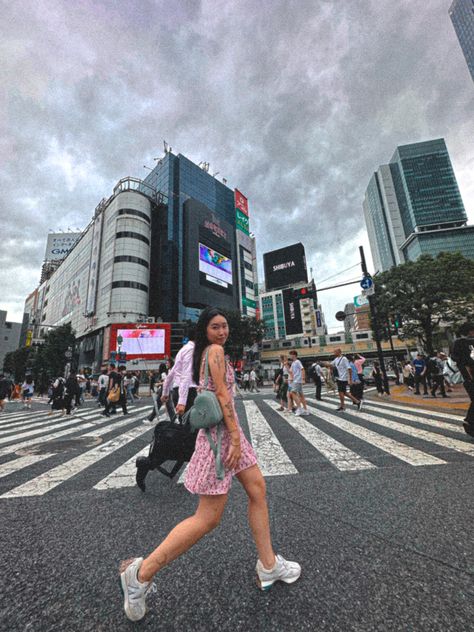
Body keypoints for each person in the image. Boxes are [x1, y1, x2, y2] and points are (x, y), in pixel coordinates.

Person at [119, 307, 301, 622]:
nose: (222, 332)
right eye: (215, 327)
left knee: (257, 488)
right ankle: (141, 574)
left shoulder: (206, 353)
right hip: (221, 439)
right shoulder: (214, 352)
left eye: (225, 326)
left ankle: (269, 565)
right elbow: (222, 395)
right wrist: (232, 433)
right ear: (205, 330)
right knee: (208, 518)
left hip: (228, 435)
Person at [161, 325, 198, 417]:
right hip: (188, 392)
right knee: (192, 427)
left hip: (178, 390)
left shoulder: (183, 350)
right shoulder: (191, 350)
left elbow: (171, 373)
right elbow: (187, 374)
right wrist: (182, 401)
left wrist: (165, 392)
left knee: (186, 425)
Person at [451, 322, 474, 437]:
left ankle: (469, 422)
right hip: (469, 377)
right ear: (469, 331)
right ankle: (469, 422)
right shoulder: (460, 343)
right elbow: (457, 359)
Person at [288, 350, 309, 415]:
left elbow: (302, 369)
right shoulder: (293, 363)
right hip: (295, 380)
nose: (290, 356)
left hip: (297, 380)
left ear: (294, 355)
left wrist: (303, 379)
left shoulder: (297, 361)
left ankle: (299, 409)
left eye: (291, 355)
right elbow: (290, 372)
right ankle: (305, 410)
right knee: (301, 395)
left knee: (293, 392)